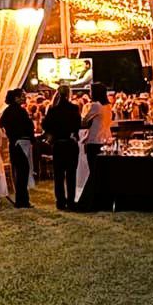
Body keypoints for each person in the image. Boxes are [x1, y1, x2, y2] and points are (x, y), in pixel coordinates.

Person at [42, 84, 81, 211]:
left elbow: (45, 125)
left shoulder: (53, 110)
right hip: (70, 143)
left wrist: (53, 133)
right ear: (69, 94)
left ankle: (60, 201)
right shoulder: (74, 108)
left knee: (58, 175)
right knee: (71, 174)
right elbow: (77, 125)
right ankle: (71, 201)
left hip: (58, 144)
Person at [79, 82, 113, 211]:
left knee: (93, 172)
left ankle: (88, 201)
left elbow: (84, 121)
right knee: (99, 171)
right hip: (105, 139)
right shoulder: (108, 106)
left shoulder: (95, 106)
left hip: (94, 140)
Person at [0, 89, 35, 208]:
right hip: (20, 143)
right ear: (16, 98)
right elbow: (27, 126)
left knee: (20, 172)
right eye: (22, 96)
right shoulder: (19, 111)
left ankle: (22, 199)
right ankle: (22, 200)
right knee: (23, 172)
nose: (24, 98)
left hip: (14, 143)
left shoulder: (8, 111)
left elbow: (2, 125)